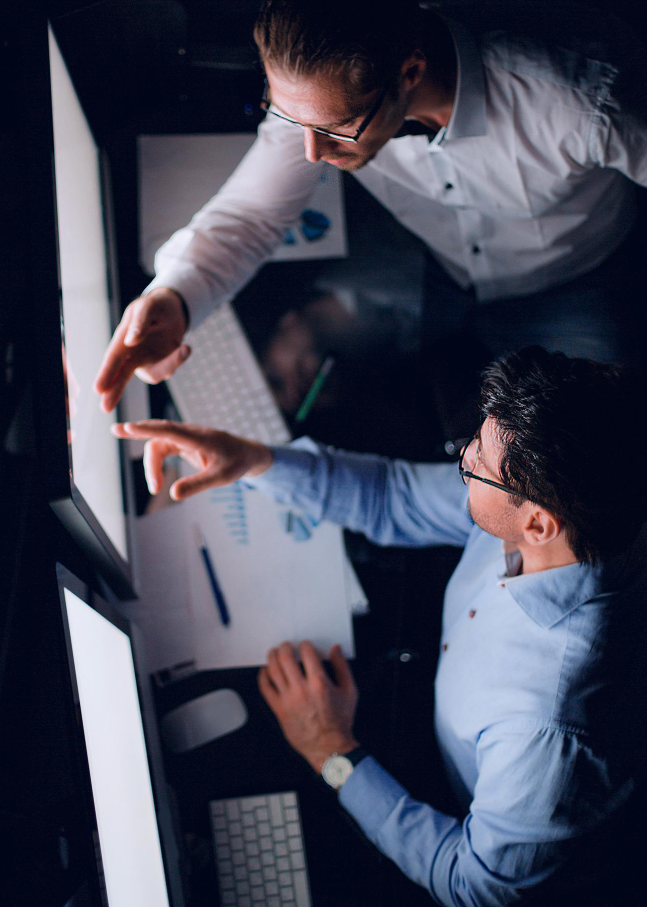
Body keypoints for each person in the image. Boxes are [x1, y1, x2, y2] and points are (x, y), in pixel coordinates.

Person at [113, 346, 647, 904]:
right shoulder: (573, 512)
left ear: (538, 524)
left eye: (476, 465)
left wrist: (332, 752)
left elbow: (473, 885)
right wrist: (253, 461)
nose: (462, 458)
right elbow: (393, 495)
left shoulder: (550, 733)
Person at [95, 0, 647, 413]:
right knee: (293, 372)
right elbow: (253, 215)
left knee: (581, 447)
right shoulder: (323, 90)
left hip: (573, 280)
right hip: (431, 259)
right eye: (289, 120)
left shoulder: (585, 99)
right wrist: (175, 296)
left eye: (334, 131)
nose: (311, 154)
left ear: (409, 72)